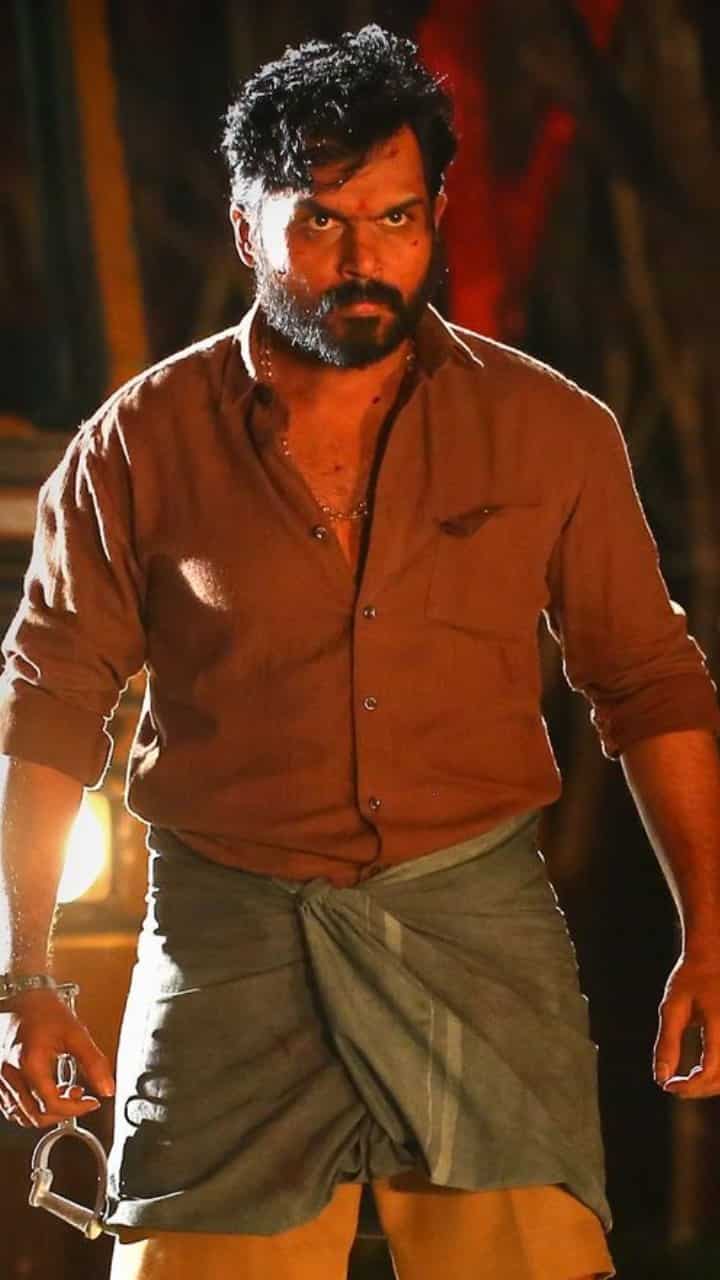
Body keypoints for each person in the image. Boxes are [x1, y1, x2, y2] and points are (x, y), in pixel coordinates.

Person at [1, 23, 719, 1280]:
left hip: (474, 938)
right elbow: (50, 700)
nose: (363, 259)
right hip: (229, 952)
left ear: (434, 216)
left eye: (396, 218)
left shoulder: (549, 429)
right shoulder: (139, 443)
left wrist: (710, 931)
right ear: (246, 229)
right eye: (321, 222)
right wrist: (26, 975)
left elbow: (649, 681)